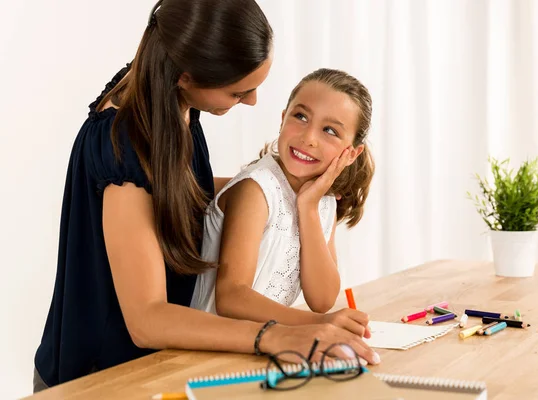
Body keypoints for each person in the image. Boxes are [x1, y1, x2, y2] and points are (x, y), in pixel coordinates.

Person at [33, 0, 378, 392]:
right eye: (237, 92)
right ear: (187, 75)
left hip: (164, 367)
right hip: (102, 379)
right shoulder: (123, 143)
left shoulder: (167, 92)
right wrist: (275, 334)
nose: (251, 101)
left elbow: (171, 185)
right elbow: (147, 320)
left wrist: (273, 192)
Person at [191, 68, 376, 341]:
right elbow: (231, 298)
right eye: (300, 116)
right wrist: (319, 324)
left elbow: (322, 298)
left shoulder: (321, 201)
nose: (308, 137)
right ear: (282, 118)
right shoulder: (256, 190)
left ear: (351, 153)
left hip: (263, 346)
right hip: (207, 349)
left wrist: (308, 209)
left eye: (329, 130)